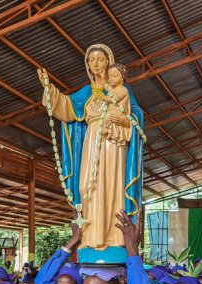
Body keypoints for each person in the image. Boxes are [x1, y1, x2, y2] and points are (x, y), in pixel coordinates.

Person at [37, 44, 143, 263]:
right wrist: (50, 90)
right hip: (91, 141)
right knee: (88, 188)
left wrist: (124, 120)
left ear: (109, 62)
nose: (96, 64)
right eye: (92, 60)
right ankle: (91, 237)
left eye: (101, 59)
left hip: (113, 142)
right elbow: (67, 107)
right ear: (87, 65)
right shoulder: (86, 93)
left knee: (112, 186)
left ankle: (114, 238)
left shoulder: (121, 89)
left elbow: (136, 116)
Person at [102, 63, 130, 146]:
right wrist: (103, 77)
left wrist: (102, 97)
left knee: (110, 118)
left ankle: (110, 132)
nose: (110, 79)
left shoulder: (123, 90)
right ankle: (108, 132)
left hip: (117, 113)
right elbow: (105, 85)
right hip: (110, 112)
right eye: (109, 76)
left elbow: (114, 99)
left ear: (122, 77)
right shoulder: (112, 89)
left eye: (114, 76)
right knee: (108, 118)